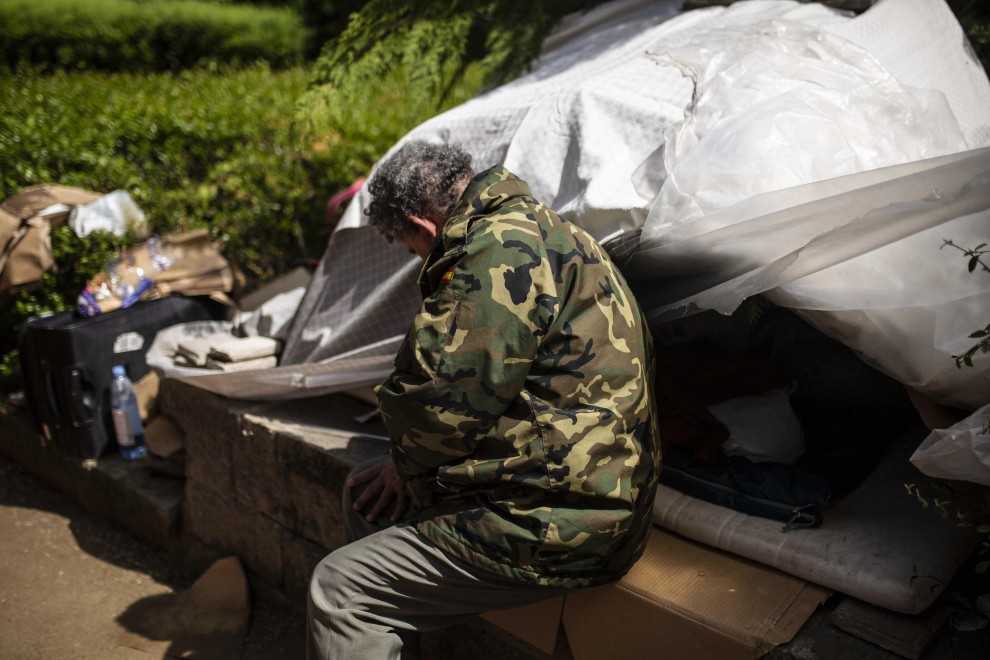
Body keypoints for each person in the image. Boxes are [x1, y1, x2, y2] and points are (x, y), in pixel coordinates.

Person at [308, 141, 661, 659]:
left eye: (412, 251)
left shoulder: (496, 251)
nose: (419, 260)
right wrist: (406, 466)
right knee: (369, 499)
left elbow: (440, 405)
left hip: (563, 519)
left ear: (423, 226)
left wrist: (408, 461)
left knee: (342, 591)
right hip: (594, 496)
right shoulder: (549, 228)